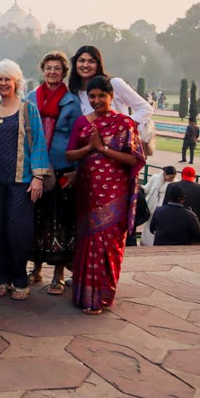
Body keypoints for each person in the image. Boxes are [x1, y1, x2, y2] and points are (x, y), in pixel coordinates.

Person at [65, 75, 145, 315]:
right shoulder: (82, 122)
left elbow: (134, 158)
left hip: (114, 192)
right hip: (88, 190)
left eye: (102, 96)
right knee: (87, 241)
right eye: (93, 96)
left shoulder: (124, 123)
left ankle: (101, 298)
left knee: (108, 243)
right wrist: (90, 148)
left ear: (112, 97)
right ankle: (83, 295)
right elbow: (70, 155)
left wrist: (103, 149)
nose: (97, 100)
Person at [0, 60, 51, 301]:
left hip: (21, 181)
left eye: (7, 79)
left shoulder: (27, 109)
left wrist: (37, 176)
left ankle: (19, 278)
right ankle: (1, 278)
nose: (3, 83)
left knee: (18, 231)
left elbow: (38, 143)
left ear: (16, 82)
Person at [26, 51, 81, 295]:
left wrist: (76, 170)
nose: (52, 72)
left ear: (64, 72)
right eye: (48, 68)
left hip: (60, 169)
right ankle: (36, 269)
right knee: (37, 221)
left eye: (57, 68)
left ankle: (57, 275)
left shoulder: (71, 102)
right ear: (42, 70)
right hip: (36, 169)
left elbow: (79, 137)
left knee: (60, 223)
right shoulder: (31, 98)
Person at [69, 46, 153, 126]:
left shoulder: (114, 84)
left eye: (91, 61)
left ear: (98, 64)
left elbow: (145, 109)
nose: (86, 65)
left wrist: (122, 125)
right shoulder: (74, 93)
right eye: (81, 61)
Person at [170, 166, 200, 239]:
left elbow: (165, 205)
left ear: (182, 175)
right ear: (194, 176)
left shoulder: (172, 186)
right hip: (196, 227)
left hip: (174, 225)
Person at [140, 166, 177, 247]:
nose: (171, 179)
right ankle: (146, 244)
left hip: (163, 210)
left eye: (173, 177)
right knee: (148, 228)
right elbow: (147, 188)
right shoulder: (155, 178)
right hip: (151, 208)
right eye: (170, 177)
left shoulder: (175, 183)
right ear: (164, 174)